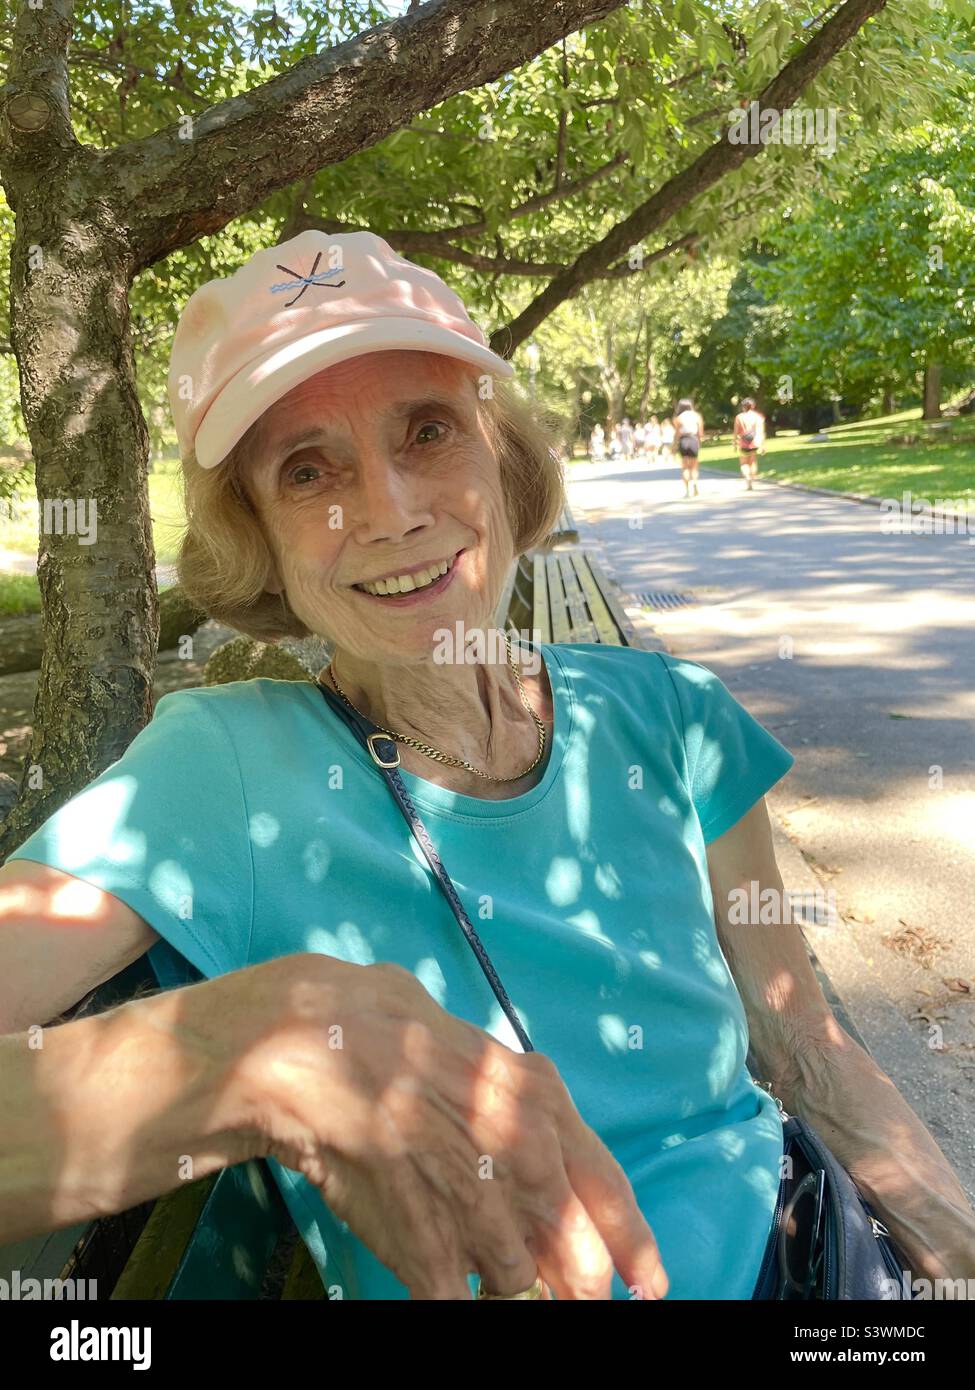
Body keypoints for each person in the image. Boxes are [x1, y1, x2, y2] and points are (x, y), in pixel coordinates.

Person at [2, 229, 973, 1303]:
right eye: (307, 469)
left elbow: (802, 1040)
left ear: (503, 463)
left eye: (428, 431)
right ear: (259, 539)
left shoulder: (672, 716)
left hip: (798, 1269)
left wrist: (958, 1246)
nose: (389, 511)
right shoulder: (218, 768)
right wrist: (241, 1050)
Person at [673, 396, 705, 498]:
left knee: (685, 467)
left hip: (684, 440)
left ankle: (687, 491)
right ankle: (695, 483)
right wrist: (699, 442)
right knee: (694, 466)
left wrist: (675, 445)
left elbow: (677, 434)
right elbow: (700, 433)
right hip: (693, 439)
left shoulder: (678, 418)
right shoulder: (697, 416)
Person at [734, 396, 766, 491]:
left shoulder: (739, 417)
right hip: (754, 443)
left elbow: (736, 432)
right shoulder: (758, 417)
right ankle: (751, 481)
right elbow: (761, 432)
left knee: (743, 463)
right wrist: (763, 445)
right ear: (753, 406)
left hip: (743, 443)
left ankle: (747, 478)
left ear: (743, 406)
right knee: (753, 461)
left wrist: (735, 444)